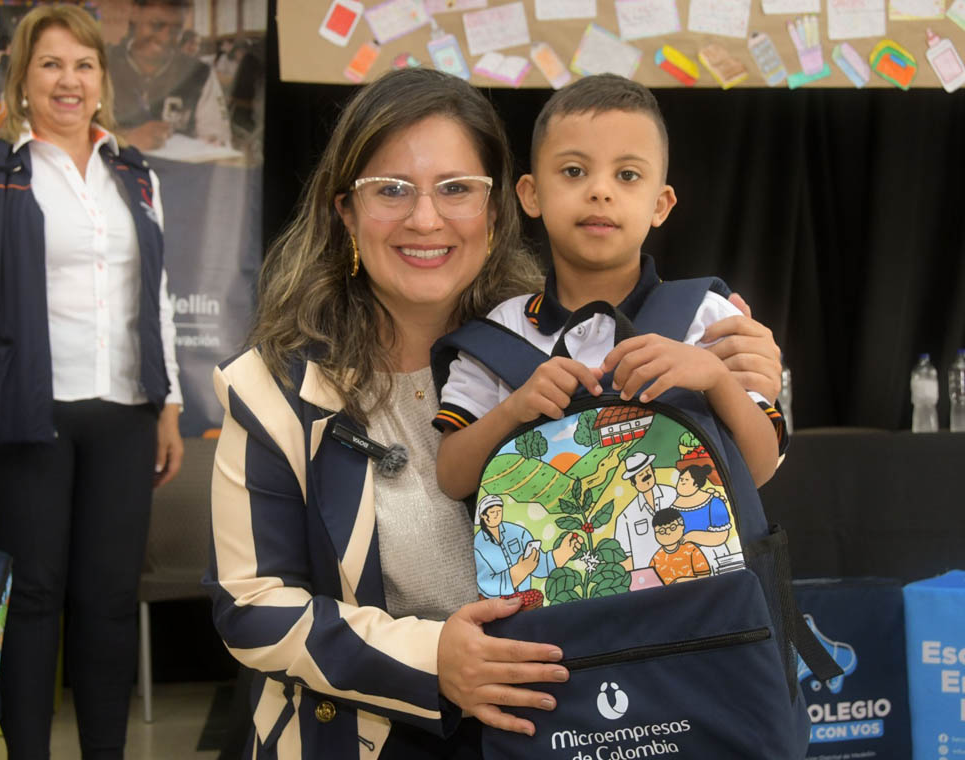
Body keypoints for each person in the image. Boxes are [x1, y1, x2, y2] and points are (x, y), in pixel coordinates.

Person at [207, 68, 785, 758]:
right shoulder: (272, 388)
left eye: (455, 189)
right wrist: (433, 659)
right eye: (390, 190)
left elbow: (741, 465)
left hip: (580, 726)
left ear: (497, 208)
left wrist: (748, 380)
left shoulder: (565, 338)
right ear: (346, 211)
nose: (425, 218)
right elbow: (251, 606)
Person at [0, 6, 183, 757]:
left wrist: (168, 404)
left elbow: (157, 295)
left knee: (107, 600)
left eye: (83, 65)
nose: (69, 80)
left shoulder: (135, 174)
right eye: (51, 64)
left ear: (102, 79)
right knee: (29, 600)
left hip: (126, 413)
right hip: (25, 412)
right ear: (24, 80)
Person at [435, 74, 783, 503]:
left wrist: (714, 377)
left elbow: (762, 469)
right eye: (574, 171)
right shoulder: (501, 330)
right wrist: (514, 409)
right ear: (531, 194)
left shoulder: (708, 319)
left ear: (661, 205)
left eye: (628, 175)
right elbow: (451, 477)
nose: (600, 191)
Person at [107, 0, 231, 150]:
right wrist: (125, 138)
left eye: (176, 30)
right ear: (135, 13)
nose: (165, 38)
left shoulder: (200, 74)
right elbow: (77, 133)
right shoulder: (104, 64)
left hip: (179, 170)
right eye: (156, 25)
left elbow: (218, 140)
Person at [474, 493, 582, 600]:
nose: (497, 515)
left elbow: (539, 566)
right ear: (483, 515)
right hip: (499, 606)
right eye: (492, 512)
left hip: (527, 602)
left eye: (499, 511)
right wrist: (521, 570)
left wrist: (562, 553)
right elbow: (487, 585)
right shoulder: (478, 544)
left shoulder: (518, 532)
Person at [615, 451, 679, 570]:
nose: (647, 477)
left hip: (681, 565)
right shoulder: (625, 517)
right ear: (633, 483)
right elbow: (625, 558)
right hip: (649, 576)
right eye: (641, 475)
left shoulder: (673, 495)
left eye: (648, 472)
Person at [650, 507, 711, 585]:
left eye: (673, 527)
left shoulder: (691, 549)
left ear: (682, 527)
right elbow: (652, 584)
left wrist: (681, 581)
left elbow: (705, 576)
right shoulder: (656, 558)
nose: (668, 532)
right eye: (662, 531)